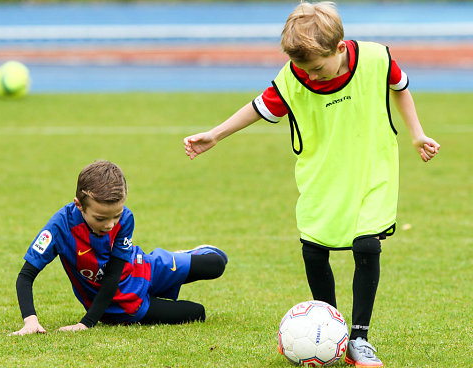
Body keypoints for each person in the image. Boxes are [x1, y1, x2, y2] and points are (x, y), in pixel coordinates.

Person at [183, 2, 439, 366]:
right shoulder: (295, 77)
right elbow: (258, 106)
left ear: (339, 48)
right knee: (314, 249)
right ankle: (331, 328)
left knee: (366, 245)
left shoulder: (376, 58)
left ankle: (360, 338)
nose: (312, 76)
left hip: (372, 170)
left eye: (318, 68)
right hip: (322, 175)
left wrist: (417, 134)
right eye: (305, 69)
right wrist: (215, 135)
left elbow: (399, 87)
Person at [12, 160, 227, 335]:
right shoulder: (60, 227)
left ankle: (181, 257)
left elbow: (114, 271)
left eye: (116, 215)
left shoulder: (126, 217)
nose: (110, 224)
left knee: (216, 263)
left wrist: (86, 323)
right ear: (79, 205)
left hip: (143, 268)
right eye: (100, 218)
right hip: (124, 305)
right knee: (197, 313)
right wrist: (31, 321)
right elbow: (26, 276)